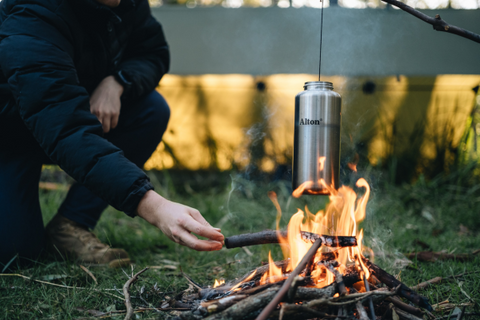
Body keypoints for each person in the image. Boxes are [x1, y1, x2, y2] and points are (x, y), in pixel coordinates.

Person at [0, 0, 224, 267]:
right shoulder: (34, 14)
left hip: (69, 117)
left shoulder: (126, 3)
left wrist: (119, 81)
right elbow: (67, 130)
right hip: (11, 136)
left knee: (150, 110)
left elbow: (152, 52)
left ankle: (70, 224)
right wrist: (154, 206)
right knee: (15, 253)